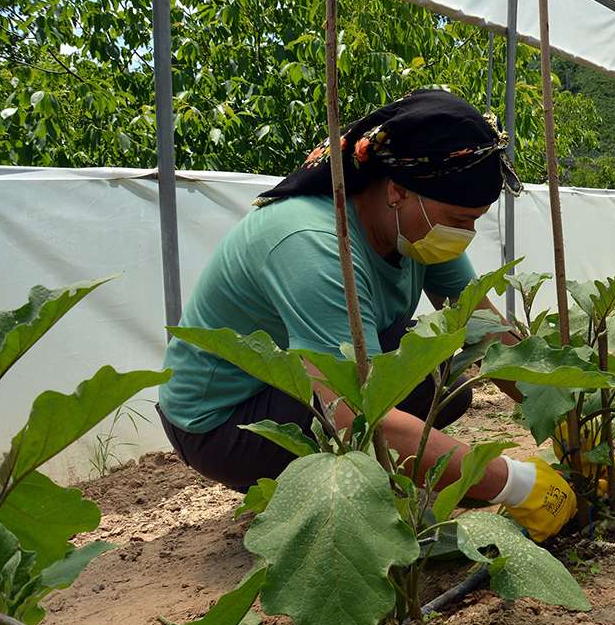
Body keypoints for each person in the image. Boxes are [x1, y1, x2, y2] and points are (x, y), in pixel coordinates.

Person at [156, 89, 576, 541]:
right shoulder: (312, 242)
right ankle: (308, 490)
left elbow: (486, 331)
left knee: (447, 378)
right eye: (460, 217)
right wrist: (514, 483)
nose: (465, 233)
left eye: (475, 220)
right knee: (374, 413)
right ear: (397, 190)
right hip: (223, 424)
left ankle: (364, 474)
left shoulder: (418, 223)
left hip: (296, 387)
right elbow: (356, 413)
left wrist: (569, 415)